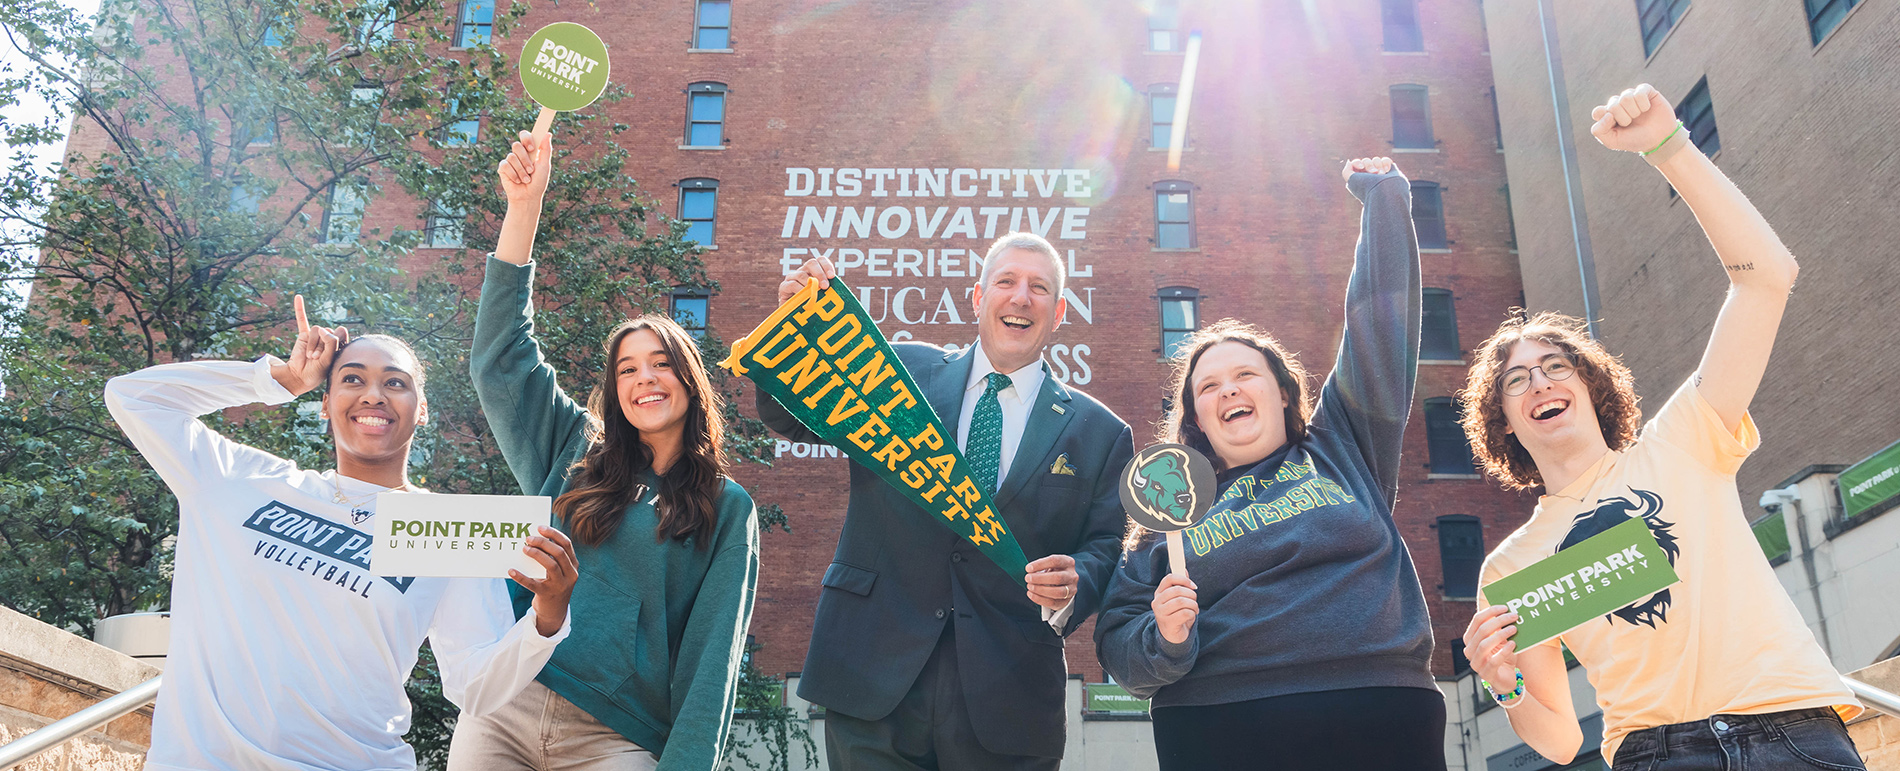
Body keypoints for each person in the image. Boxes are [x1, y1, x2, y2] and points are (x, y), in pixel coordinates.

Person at [1458, 84, 1864, 771]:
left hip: (1794, 732)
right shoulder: (1510, 569)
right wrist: (1506, 682)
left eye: (1555, 365)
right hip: (1657, 754)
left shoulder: (1683, 442)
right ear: (1503, 421)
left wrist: (1668, 147)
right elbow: (1559, 740)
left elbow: (1766, 277)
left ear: (1591, 385)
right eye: (1516, 380)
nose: (1540, 383)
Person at [106, 296, 578, 771]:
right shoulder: (238, 482)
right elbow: (133, 398)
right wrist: (282, 380)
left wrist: (548, 616)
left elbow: (476, 688)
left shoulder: (447, 529)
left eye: (395, 383)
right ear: (326, 402)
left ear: (422, 410)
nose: (374, 394)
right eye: (353, 378)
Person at [1096, 157, 1446, 771]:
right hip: (1219, 721)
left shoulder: (1345, 444)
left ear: (1283, 391)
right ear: (1196, 420)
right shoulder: (1166, 511)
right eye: (1208, 388)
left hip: (1379, 704)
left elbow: (1382, 325)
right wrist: (1165, 638)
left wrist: (1385, 200)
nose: (1227, 390)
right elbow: (1120, 649)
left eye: (1244, 375)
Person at [448, 130, 760, 771]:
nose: (644, 378)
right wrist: (523, 208)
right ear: (613, 391)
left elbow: (713, 658)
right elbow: (501, 360)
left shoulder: (726, 508)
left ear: (689, 378)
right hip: (508, 706)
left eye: (660, 363)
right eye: (626, 369)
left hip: (620, 739)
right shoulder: (570, 451)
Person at [763, 231, 1134, 770]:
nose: (1021, 297)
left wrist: (1080, 577)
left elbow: (1107, 543)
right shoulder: (899, 373)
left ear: (1057, 314)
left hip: (1010, 694)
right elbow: (789, 413)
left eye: (1040, 288)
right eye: (1006, 281)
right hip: (872, 672)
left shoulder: (1099, 430)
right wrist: (794, 325)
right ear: (978, 298)